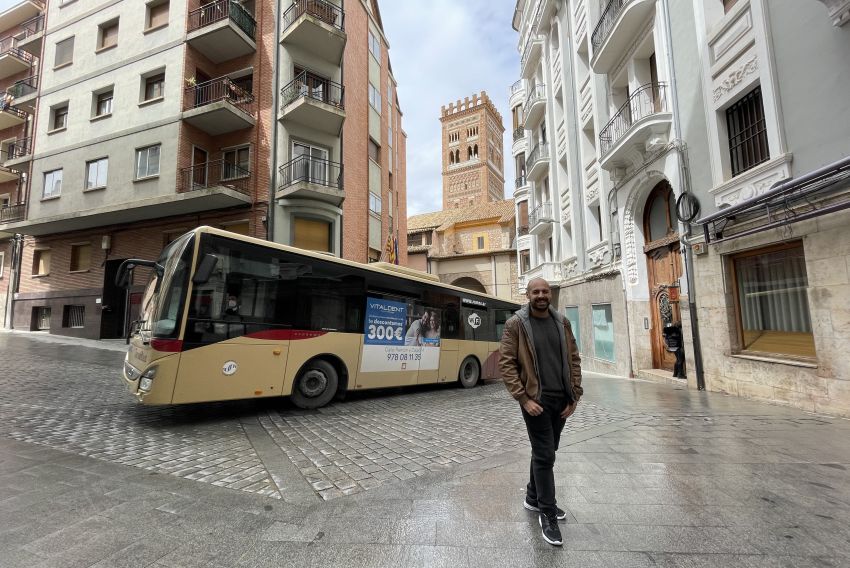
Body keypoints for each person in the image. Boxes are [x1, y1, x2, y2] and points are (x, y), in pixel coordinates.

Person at [499, 277, 583, 547]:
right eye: (536, 291)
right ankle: (548, 512)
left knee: (546, 451)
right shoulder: (516, 324)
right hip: (536, 401)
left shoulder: (562, 322)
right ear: (528, 294)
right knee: (546, 454)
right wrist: (523, 399)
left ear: (550, 294)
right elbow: (507, 364)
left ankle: (533, 497)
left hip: (562, 401)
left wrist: (575, 395)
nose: (541, 295)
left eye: (545, 291)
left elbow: (573, 359)